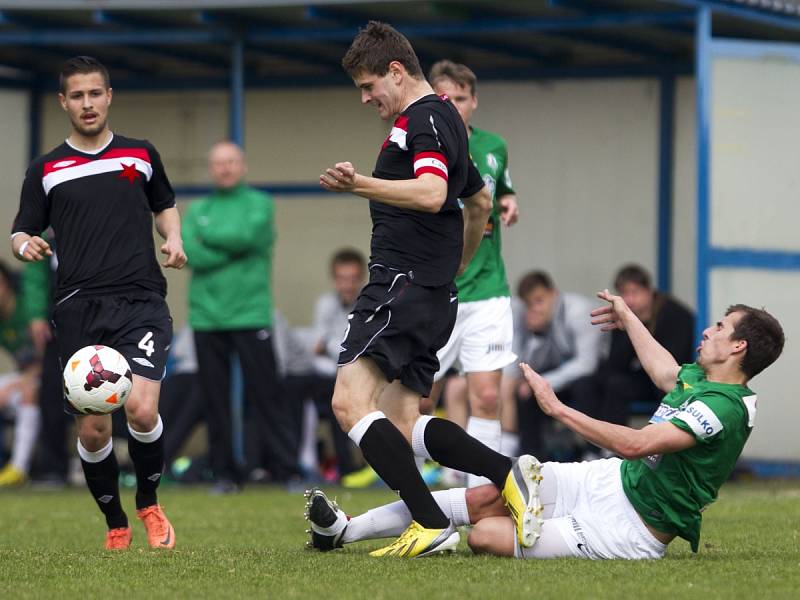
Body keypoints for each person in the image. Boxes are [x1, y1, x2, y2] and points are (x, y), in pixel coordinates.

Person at [305, 292, 784, 560]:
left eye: (721, 328)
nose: (709, 330)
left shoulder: (724, 409)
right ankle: (343, 531)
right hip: (607, 481)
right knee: (485, 495)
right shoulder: (701, 378)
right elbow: (664, 371)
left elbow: (638, 444)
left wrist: (558, 410)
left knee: (483, 536)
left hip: (631, 527)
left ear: (739, 348)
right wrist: (628, 316)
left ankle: (493, 527)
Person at [316, 21, 536, 558]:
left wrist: (359, 185)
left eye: (369, 86)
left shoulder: (424, 117)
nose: (366, 98)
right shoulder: (448, 120)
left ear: (396, 71)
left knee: (348, 402)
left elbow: (434, 191)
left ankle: (431, 520)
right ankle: (504, 473)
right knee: (401, 420)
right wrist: (451, 269)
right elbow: (478, 204)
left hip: (400, 284)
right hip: (430, 291)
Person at [11, 56, 186, 550]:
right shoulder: (45, 169)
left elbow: (164, 206)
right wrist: (24, 245)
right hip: (78, 309)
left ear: (109, 96)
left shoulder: (141, 154)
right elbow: (21, 229)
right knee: (91, 430)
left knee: (142, 410)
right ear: (64, 102)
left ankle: (149, 503)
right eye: (77, 96)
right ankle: (115, 523)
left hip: (140, 300)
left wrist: (172, 238)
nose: (87, 104)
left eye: (95, 93)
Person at [423, 60, 520, 486]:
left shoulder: (495, 146)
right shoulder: (422, 147)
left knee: (486, 395)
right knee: (420, 399)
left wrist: (510, 203)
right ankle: (421, 483)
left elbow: (505, 192)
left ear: (473, 102)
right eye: (446, 98)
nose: (455, 106)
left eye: (461, 99)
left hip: (488, 291)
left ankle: (484, 495)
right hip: (436, 292)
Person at [182, 140, 297, 493]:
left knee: (268, 396)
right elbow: (191, 254)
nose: (225, 168)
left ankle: (287, 470)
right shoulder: (196, 208)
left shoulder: (259, 204)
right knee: (215, 401)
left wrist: (210, 240)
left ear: (243, 165)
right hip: (207, 317)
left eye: (231, 161)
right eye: (218, 162)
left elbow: (248, 236)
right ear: (210, 168)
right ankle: (225, 475)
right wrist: (231, 250)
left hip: (251, 314)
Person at [502, 271, 602, 460]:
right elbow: (530, 365)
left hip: (598, 377)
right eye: (529, 303)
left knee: (585, 386)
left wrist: (544, 381)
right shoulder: (536, 318)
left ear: (553, 293)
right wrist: (537, 335)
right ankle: (532, 457)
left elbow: (587, 364)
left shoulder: (579, 311)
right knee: (525, 391)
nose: (535, 308)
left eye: (539, 300)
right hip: (565, 376)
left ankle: (594, 452)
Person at [595, 264, 695, 425]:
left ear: (649, 291)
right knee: (596, 383)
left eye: (635, 292)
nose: (629, 300)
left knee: (623, 386)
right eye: (624, 293)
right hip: (641, 377)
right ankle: (601, 447)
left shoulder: (674, 315)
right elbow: (616, 365)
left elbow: (675, 363)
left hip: (667, 380)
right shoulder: (623, 314)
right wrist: (629, 325)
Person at [0, 260, 42, 487]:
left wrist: (18, 383)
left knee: (29, 390)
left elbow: (48, 358)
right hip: (24, 376)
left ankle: (19, 467)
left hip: (51, 377)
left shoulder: (28, 308)